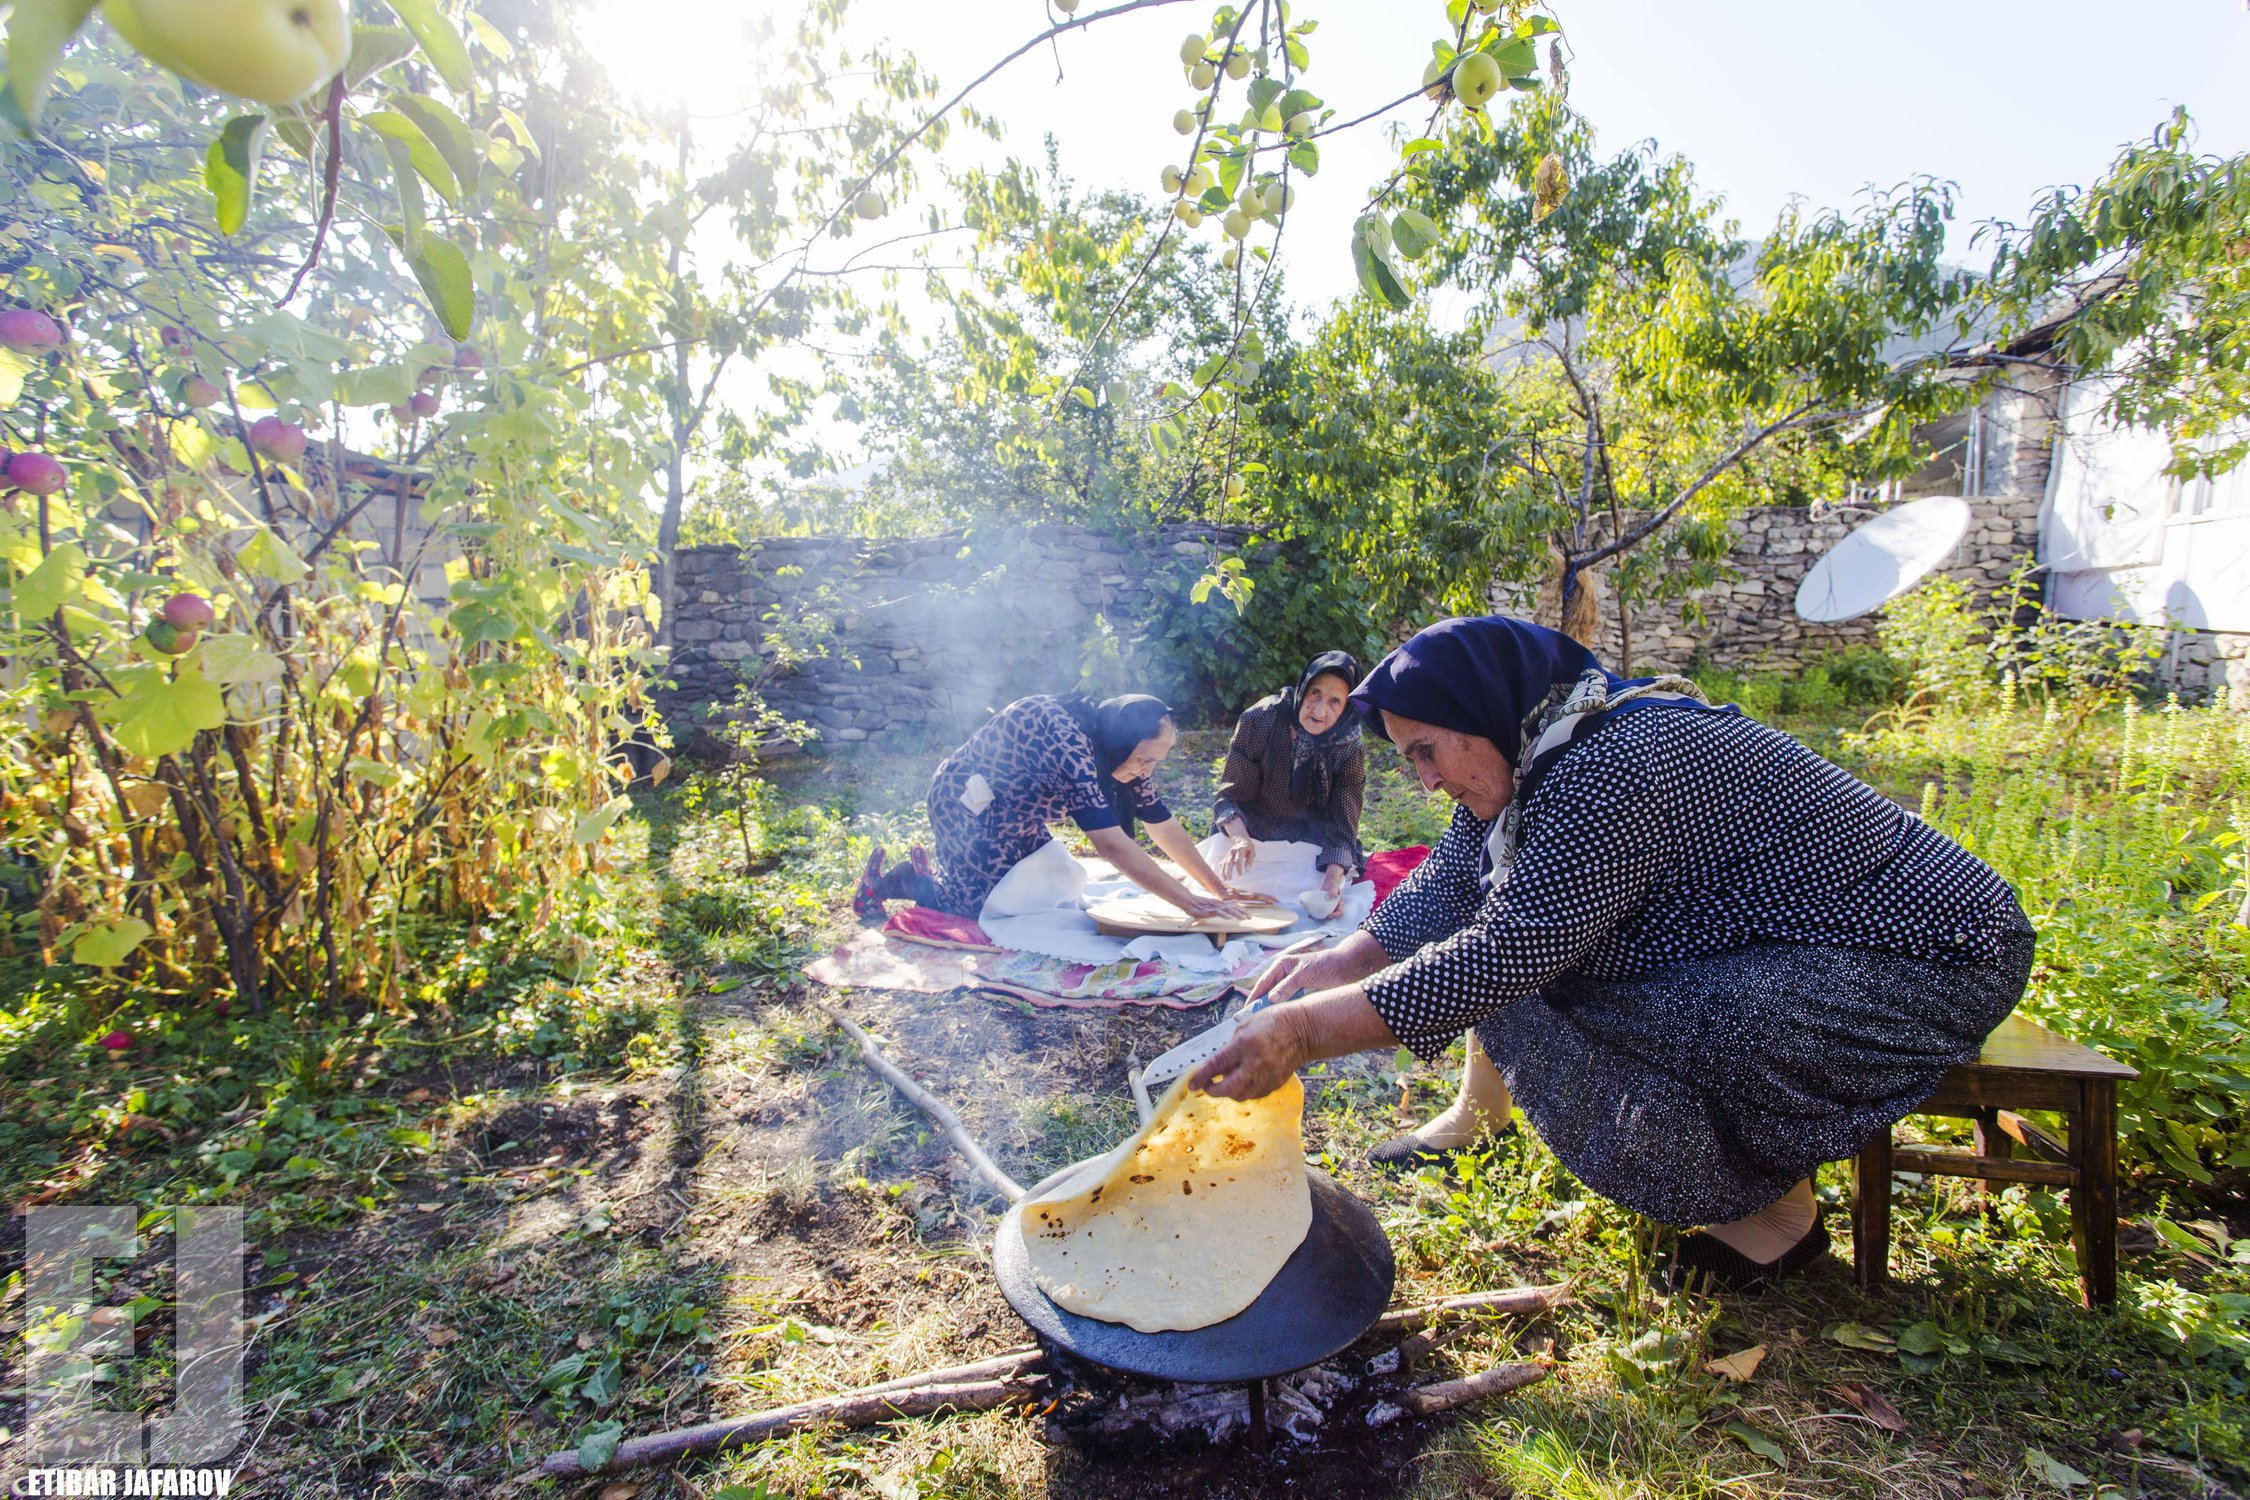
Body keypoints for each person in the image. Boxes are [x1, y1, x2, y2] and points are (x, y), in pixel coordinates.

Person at [1190, 616, 2033, 1291]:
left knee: (1627, 996)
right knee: (1551, 973)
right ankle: (1754, 1194)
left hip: (1932, 952)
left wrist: (1302, 1034)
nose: (1426, 780)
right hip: (1816, 945)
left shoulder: (1609, 763)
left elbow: (1510, 951)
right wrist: (1342, 959)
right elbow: (1452, 881)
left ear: (1483, 713)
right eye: (1409, 758)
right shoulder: (1540, 749)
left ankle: (1771, 1212)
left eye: (1425, 751)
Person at [855, 692, 1245, 924]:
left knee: (1042, 894)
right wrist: (1189, 903)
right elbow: (1110, 845)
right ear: (1126, 740)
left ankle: (946, 875)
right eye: (1147, 759)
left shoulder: (1120, 750)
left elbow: (1161, 824)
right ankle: (902, 882)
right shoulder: (1072, 748)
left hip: (1015, 814)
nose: (1148, 770)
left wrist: (1218, 889)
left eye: (1156, 762)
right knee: (985, 911)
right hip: (966, 805)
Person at [1211, 650, 1367, 908]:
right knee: (1228, 890)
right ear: (1303, 688)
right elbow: (1230, 797)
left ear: (1346, 709)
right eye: (1314, 693)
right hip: (1253, 835)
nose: (1319, 710)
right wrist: (1239, 839)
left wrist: (1331, 884)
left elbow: (1343, 824)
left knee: (1320, 896)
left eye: (1334, 702)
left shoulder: (1348, 746)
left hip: (1309, 842)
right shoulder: (1262, 719)